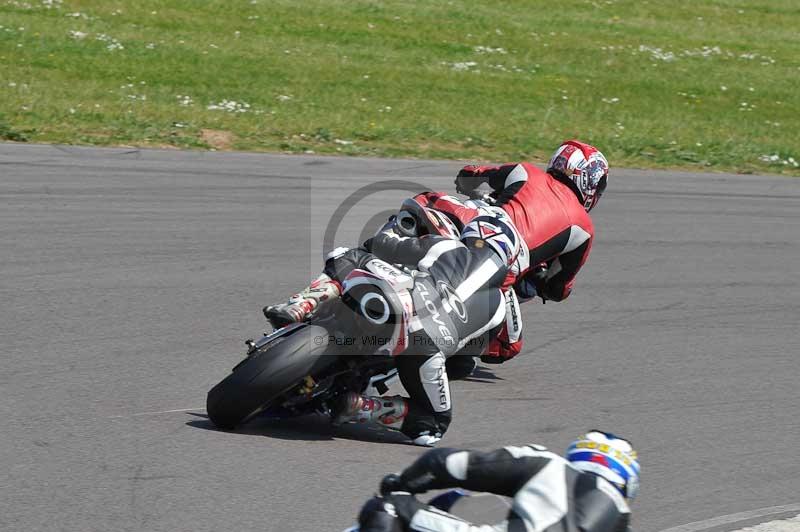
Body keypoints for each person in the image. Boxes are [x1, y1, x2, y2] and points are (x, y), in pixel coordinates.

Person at [267, 207, 523, 446]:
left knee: (348, 255)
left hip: (404, 307)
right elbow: (463, 363)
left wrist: (390, 231)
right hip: (428, 348)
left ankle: (301, 304)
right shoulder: (500, 308)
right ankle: (361, 406)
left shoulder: (448, 246)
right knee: (435, 422)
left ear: (471, 232)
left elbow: (384, 246)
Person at [355, 430, 639, 532]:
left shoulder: (549, 464)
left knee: (389, 507)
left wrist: (403, 484)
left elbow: (446, 464)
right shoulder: (622, 520)